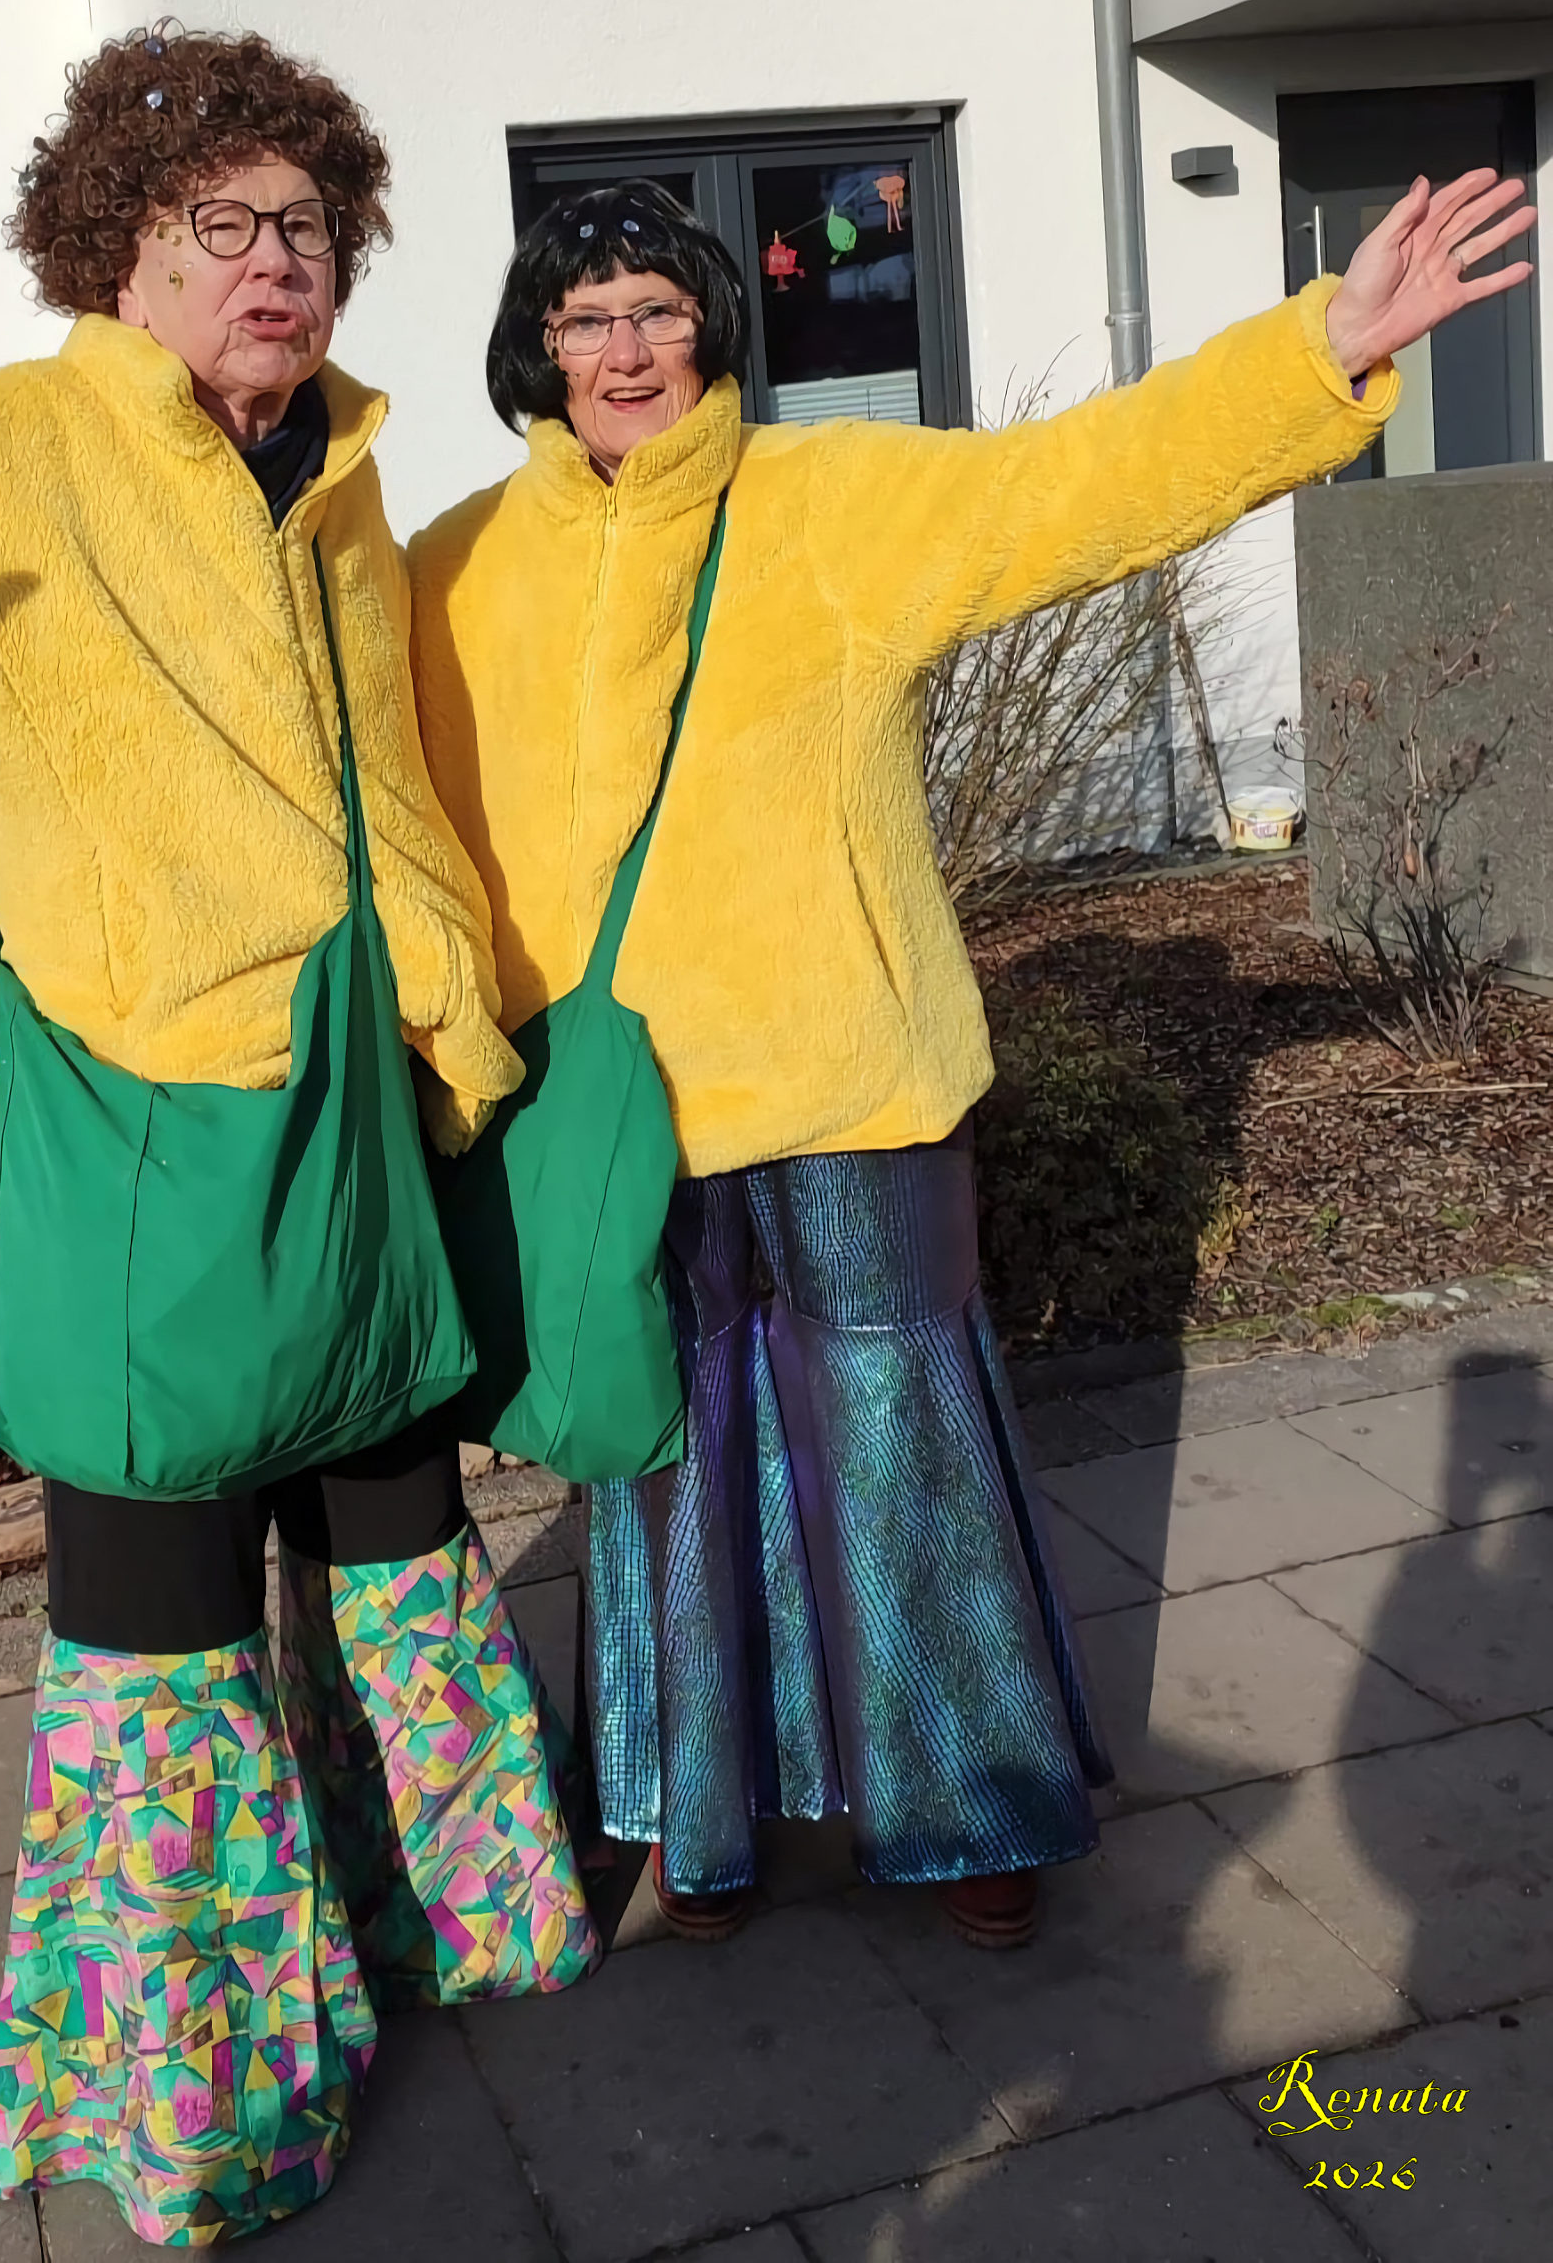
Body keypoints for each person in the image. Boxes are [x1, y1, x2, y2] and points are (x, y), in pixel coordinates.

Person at [406, 170, 1532, 1946]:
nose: (624, 351)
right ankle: (706, 1812)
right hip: (610, 1113)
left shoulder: (834, 501)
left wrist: (1317, 351)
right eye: (586, 318)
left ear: (711, 328)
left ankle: (964, 1802)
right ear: (534, 346)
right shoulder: (453, 566)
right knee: (661, 1454)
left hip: (851, 1083)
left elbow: (1083, 482)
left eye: (658, 312)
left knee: (904, 1445)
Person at [0, 25, 596, 2245]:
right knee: (163, 1617)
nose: (275, 261)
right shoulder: (0, 450)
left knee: (396, 1537)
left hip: (364, 1091)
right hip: (148, 1116)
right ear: (116, 251)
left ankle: (443, 1925)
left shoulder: (335, 472)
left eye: (306, 225)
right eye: (222, 223)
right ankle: (199, 2099)